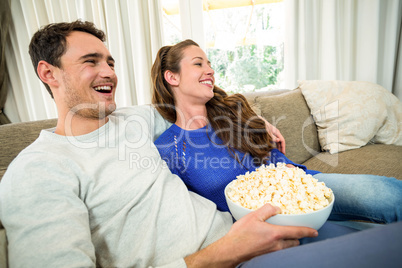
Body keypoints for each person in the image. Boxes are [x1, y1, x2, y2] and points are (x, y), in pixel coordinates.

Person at [0, 20, 401, 268]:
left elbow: (193, 106)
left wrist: (254, 117)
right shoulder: (36, 170)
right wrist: (222, 254)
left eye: (111, 62)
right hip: (227, 255)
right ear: (47, 73)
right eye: (91, 61)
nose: (109, 72)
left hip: (250, 232)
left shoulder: (131, 119)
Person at [151, 39, 402, 224]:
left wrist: (289, 169)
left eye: (209, 63)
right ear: (172, 77)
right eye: (198, 64)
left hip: (299, 189)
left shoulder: (230, 111)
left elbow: (269, 154)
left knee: (385, 193)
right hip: (258, 224)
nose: (210, 70)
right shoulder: (168, 148)